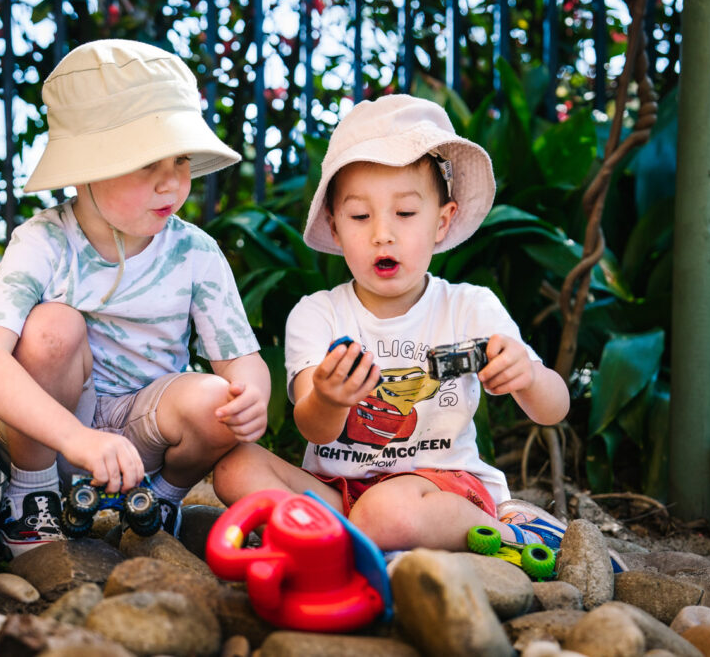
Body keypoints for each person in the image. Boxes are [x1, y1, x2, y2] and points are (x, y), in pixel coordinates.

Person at [213, 94, 572, 557]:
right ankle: (353, 542)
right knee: (234, 468)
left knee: (385, 514)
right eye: (360, 216)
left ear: (443, 222)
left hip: (440, 488)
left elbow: (554, 410)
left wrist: (529, 376)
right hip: (338, 494)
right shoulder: (317, 313)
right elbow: (314, 430)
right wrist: (327, 397)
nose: (383, 232)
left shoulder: (470, 307)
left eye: (405, 213)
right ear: (335, 226)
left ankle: (508, 531)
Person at [0, 39, 270, 558]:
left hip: (146, 430)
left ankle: (161, 500)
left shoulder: (195, 251)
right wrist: (76, 439)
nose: (172, 181)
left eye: (179, 159)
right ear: (86, 168)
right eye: (146, 162)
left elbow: (242, 363)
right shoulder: (44, 241)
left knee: (218, 399)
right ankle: (29, 498)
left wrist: (252, 398)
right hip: (52, 432)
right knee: (51, 328)